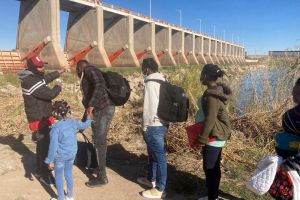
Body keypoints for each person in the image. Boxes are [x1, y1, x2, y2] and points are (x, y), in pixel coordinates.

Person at [18, 56, 65, 184]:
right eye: (39, 66)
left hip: (43, 115)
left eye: (43, 65)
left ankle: (40, 169)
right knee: (45, 147)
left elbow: (44, 80)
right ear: (32, 68)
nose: (43, 68)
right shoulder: (30, 81)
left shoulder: (34, 77)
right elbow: (50, 94)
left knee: (42, 145)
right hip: (39, 118)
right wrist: (58, 86)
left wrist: (58, 72)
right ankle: (43, 173)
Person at [76, 60, 115, 187]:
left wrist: (91, 105)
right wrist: (83, 121)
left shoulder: (88, 69)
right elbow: (90, 102)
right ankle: (99, 168)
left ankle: (102, 177)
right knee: (98, 140)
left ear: (79, 69)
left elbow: (99, 84)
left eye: (76, 71)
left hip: (103, 110)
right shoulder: (92, 71)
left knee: (99, 142)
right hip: (102, 109)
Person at [196, 64, 232, 200]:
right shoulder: (214, 91)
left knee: (209, 169)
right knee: (214, 168)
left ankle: (212, 197)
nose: (200, 77)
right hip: (214, 135)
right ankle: (214, 196)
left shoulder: (212, 96)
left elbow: (210, 119)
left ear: (205, 76)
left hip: (214, 136)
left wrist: (201, 138)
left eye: (201, 74)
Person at [45, 100, 92, 200]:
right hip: (72, 154)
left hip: (60, 156)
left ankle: (61, 198)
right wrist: (89, 117)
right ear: (67, 111)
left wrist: (50, 161)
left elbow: (53, 147)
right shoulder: (73, 122)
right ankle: (70, 196)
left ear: (55, 114)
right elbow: (84, 125)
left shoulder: (55, 128)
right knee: (68, 174)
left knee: (58, 177)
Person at [137, 57, 169, 199]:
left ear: (147, 69)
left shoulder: (150, 83)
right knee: (154, 155)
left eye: (143, 68)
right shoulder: (163, 80)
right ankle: (151, 179)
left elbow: (149, 108)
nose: (142, 70)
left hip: (153, 125)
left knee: (160, 157)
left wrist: (144, 126)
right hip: (163, 123)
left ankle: (160, 189)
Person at [274, 78, 300, 159]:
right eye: (293, 90)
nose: (292, 93)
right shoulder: (289, 116)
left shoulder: (288, 115)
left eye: (296, 92)